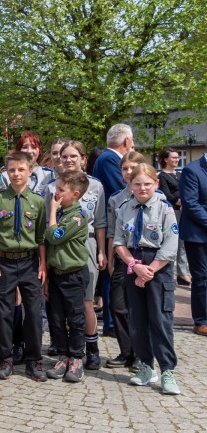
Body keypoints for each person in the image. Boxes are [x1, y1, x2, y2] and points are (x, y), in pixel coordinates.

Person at [113, 163, 180, 395]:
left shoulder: (165, 209)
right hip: (134, 263)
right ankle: (146, 366)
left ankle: (167, 370)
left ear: (156, 184)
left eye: (147, 184)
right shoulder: (124, 208)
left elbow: (171, 244)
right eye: (137, 184)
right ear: (130, 185)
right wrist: (135, 266)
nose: (142, 188)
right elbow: (119, 242)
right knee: (137, 320)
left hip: (158, 266)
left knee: (160, 320)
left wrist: (149, 270)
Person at [0, 151, 48, 382]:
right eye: (12, 170)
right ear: (6, 173)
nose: (16, 174)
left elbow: (41, 237)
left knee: (33, 313)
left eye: (21, 169)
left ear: (30, 171)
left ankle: (34, 360)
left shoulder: (38, 201)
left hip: (30, 262)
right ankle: (6, 358)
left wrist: (43, 265)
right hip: (4, 262)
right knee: (3, 313)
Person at [44, 141, 107, 370]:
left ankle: (91, 348)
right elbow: (48, 223)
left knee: (86, 302)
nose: (69, 160)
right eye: (64, 156)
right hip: (58, 246)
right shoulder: (52, 187)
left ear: (83, 158)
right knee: (60, 305)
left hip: (86, 243)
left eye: (73, 156)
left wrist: (101, 251)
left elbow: (100, 222)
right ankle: (65, 350)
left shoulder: (95, 185)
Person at [44, 170, 90, 383]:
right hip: (56, 274)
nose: (57, 193)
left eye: (61, 190)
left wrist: (52, 210)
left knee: (75, 318)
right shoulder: (63, 213)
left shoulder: (76, 216)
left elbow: (54, 237)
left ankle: (76, 358)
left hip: (73, 275)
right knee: (56, 317)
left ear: (75, 194)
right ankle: (62, 356)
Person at [105, 151, 148, 371]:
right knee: (118, 305)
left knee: (139, 307)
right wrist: (110, 259)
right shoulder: (116, 198)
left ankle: (141, 354)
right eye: (125, 168)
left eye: (133, 167)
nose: (129, 172)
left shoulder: (153, 194)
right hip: (122, 256)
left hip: (146, 256)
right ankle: (126, 351)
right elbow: (112, 231)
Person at [179, 150, 207, 336]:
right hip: (198, 234)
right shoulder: (192, 170)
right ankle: (201, 321)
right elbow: (191, 203)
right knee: (202, 278)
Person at [157, 147, 190, 286]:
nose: (177, 159)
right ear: (166, 159)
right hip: (173, 211)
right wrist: (180, 202)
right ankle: (168, 273)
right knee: (172, 241)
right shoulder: (162, 176)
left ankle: (182, 273)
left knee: (182, 242)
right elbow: (166, 194)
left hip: (185, 210)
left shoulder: (180, 174)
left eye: (178, 157)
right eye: (174, 157)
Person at [2, 132, 55, 197]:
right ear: (18, 150)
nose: (29, 151)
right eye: (25, 147)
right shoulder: (6, 176)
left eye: (33, 147)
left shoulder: (49, 175)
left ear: (39, 150)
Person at [92, 124, 135, 203]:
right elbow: (122, 188)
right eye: (132, 140)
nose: (133, 144)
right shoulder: (109, 159)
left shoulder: (109, 157)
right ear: (126, 141)